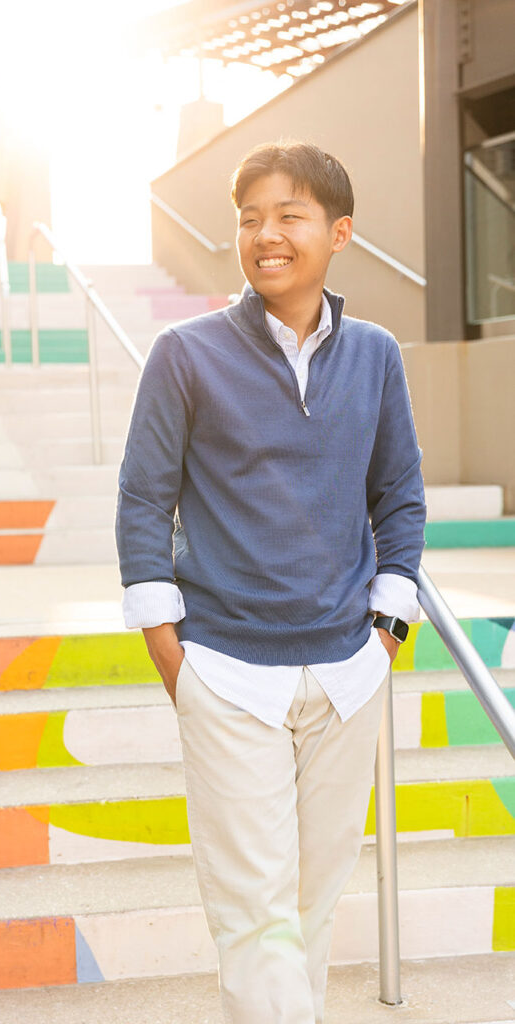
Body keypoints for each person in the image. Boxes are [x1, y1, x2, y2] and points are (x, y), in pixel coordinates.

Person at [115, 140, 426, 1024]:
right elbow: (143, 500)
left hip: (346, 673)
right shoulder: (184, 353)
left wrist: (387, 634)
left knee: (309, 907)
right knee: (256, 916)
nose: (266, 235)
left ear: (340, 233)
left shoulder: (376, 355)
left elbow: (400, 495)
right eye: (250, 219)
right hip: (225, 671)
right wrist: (174, 657)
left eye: (290, 215)